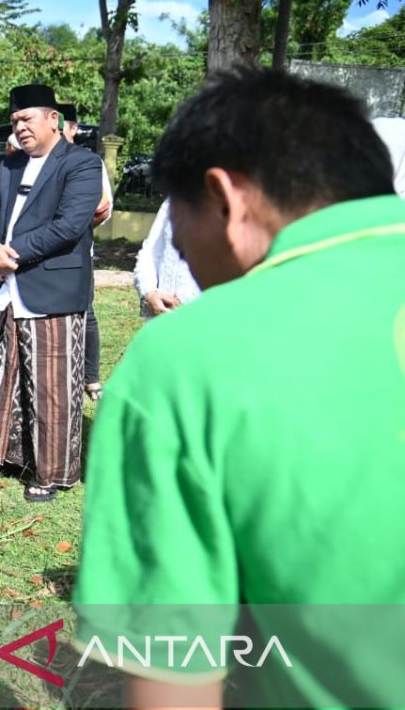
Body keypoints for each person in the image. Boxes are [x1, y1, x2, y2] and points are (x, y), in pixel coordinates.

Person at [74, 68, 405, 709]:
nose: (183, 253)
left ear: (225, 198)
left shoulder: (184, 360)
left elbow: (175, 679)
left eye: (175, 222)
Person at [0, 84, 101, 500]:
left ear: (52, 119)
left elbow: (69, 225)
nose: (20, 128)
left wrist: (13, 255)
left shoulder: (82, 164)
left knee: (52, 387)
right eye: (15, 121)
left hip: (52, 288)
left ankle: (49, 473)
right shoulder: (8, 167)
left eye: (27, 119)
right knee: (1, 375)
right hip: (8, 288)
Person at [57, 102, 113, 401]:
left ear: (73, 128)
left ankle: (90, 376)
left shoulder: (89, 162)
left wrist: (76, 219)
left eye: (60, 125)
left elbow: (104, 208)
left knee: (85, 312)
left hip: (79, 252)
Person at [134, 197, 200, 316]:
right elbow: (149, 254)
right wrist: (149, 293)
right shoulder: (172, 202)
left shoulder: (234, 206)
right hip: (162, 318)